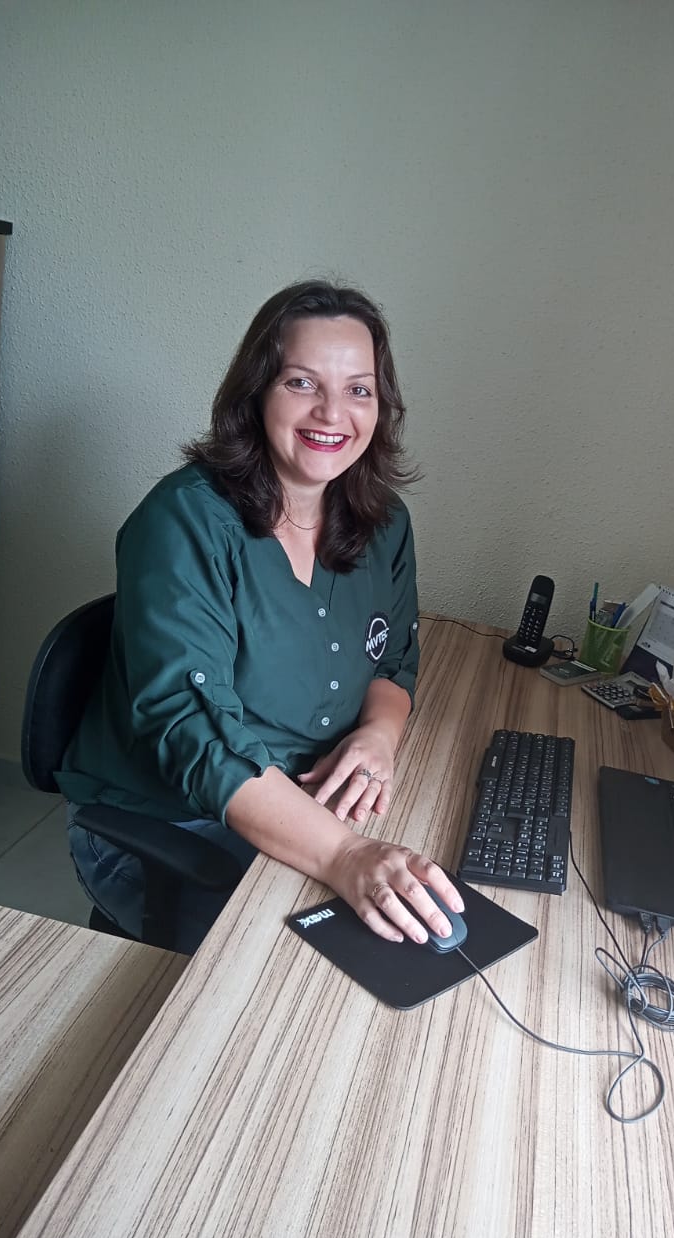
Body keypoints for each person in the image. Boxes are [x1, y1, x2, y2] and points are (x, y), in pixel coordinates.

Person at [58, 280, 463, 952]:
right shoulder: (183, 521)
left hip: (311, 801)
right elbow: (192, 733)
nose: (332, 412)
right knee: (322, 972)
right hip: (169, 826)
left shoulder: (385, 523)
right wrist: (346, 855)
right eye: (302, 383)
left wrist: (378, 737)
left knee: (424, 916)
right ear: (257, 393)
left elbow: (393, 660)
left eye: (359, 389)